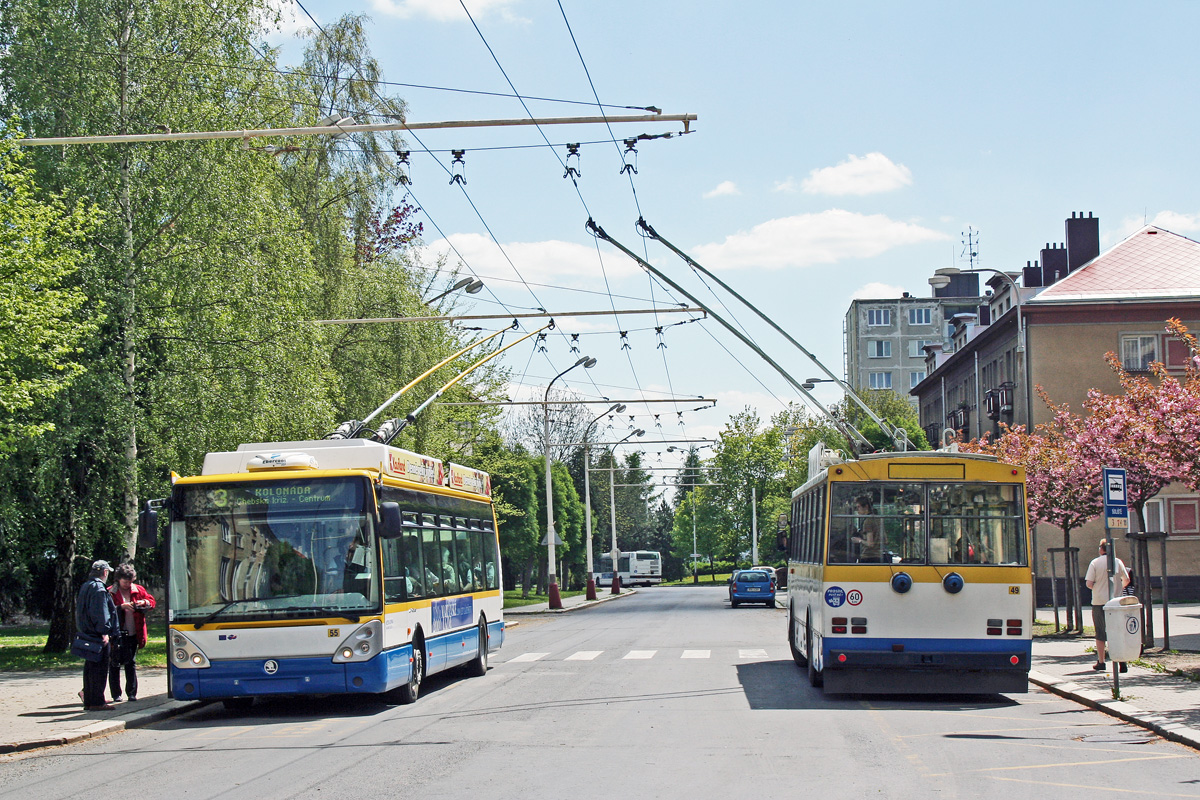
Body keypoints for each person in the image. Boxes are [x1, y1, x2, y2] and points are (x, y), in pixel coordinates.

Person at [107, 563, 155, 702]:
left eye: (130, 581)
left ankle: (132, 693)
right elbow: (106, 611)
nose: (127, 584)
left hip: (134, 631)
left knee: (131, 662)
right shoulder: (111, 591)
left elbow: (151, 602)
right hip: (117, 633)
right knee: (115, 663)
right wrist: (120, 607)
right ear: (118, 579)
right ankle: (116, 694)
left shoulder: (138, 589)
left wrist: (143, 603)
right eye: (124, 582)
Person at [75, 559, 119, 711]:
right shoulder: (99, 589)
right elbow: (101, 613)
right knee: (99, 669)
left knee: (89, 668)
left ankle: (89, 699)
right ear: (105, 572)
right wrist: (104, 632)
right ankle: (97, 701)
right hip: (97, 634)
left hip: (87, 632)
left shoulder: (86, 586)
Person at [1084, 539, 1131, 673]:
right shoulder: (1118, 561)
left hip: (1099, 602)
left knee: (1100, 632)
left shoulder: (1095, 562)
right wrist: (1117, 589)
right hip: (1116, 602)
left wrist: (1097, 589)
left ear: (1101, 549)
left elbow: (1088, 583)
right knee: (1118, 631)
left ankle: (1101, 661)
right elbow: (1126, 580)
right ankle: (1122, 662)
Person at [850, 495, 882, 562]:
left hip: (868, 556)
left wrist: (859, 540)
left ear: (866, 506)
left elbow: (870, 543)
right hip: (878, 555)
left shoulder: (868, 521)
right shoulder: (877, 519)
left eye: (859, 507)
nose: (857, 510)